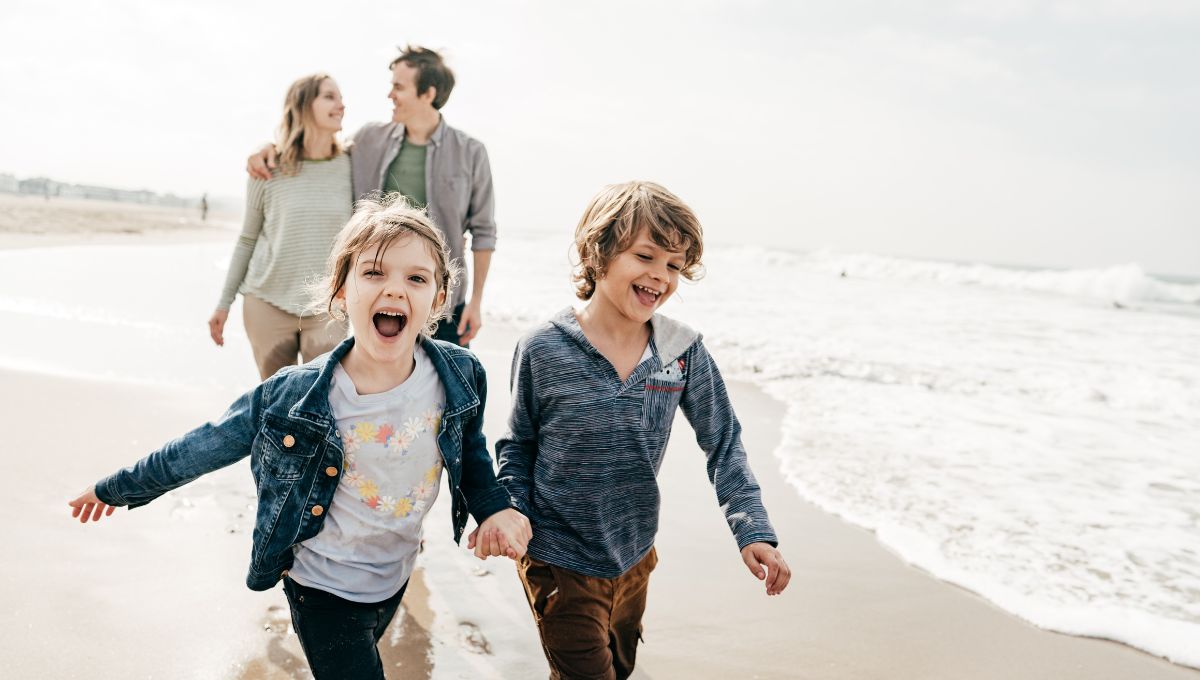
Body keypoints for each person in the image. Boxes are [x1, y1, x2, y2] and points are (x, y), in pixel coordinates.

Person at [69, 196, 532, 680]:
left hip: (395, 572)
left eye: (416, 278)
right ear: (341, 291)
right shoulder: (294, 396)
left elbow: (474, 459)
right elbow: (203, 446)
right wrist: (119, 487)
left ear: (438, 299)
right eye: (374, 273)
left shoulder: (458, 374)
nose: (395, 289)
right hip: (320, 588)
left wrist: (494, 508)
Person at [494, 181, 791, 680]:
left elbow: (723, 443)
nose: (660, 276)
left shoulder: (680, 353)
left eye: (673, 266)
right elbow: (517, 445)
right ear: (599, 253)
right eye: (646, 256)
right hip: (557, 558)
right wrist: (512, 513)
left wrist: (752, 530)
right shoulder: (544, 348)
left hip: (634, 556)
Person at [249, 45, 496, 348]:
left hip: (442, 305)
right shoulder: (368, 139)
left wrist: (476, 302)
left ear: (428, 94)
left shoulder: (470, 152)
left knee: (450, 392)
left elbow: (483, 232)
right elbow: (319, 148)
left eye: (398, 87)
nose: (390, 95)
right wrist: (270, 147)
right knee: (378, 390)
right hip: (376, 301)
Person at [211, 73, 353, 380]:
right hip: (267, 302)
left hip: (327, 308)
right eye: (329, 96)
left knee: (321, 402)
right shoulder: (268, 168)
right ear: (303, 105)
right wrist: (224, 304)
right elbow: (248, 238)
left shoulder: (352, 166)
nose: (341, 105)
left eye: (341, 98)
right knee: (276, 407)